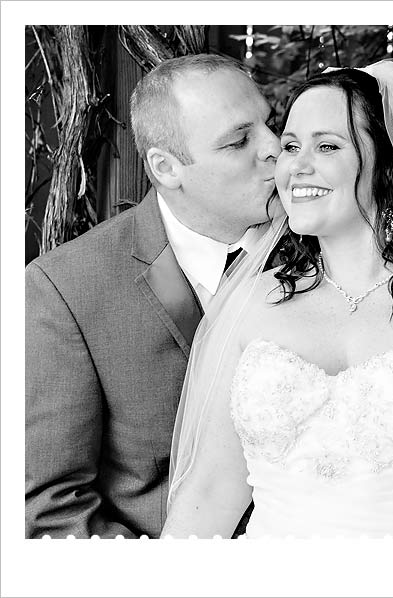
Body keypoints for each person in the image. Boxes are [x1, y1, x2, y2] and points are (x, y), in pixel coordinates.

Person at [163, 59, 393, 538]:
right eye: (291, 146)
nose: (297, 165)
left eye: (327, 146)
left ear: (390, 161)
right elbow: (211, 488)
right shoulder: (251, 303)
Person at [25, 53, 281, 538]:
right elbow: (50, 509)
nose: (274, 148)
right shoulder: (65, 291)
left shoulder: (325, 251)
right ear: (166, 167)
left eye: (270, 124)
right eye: (239, 140)